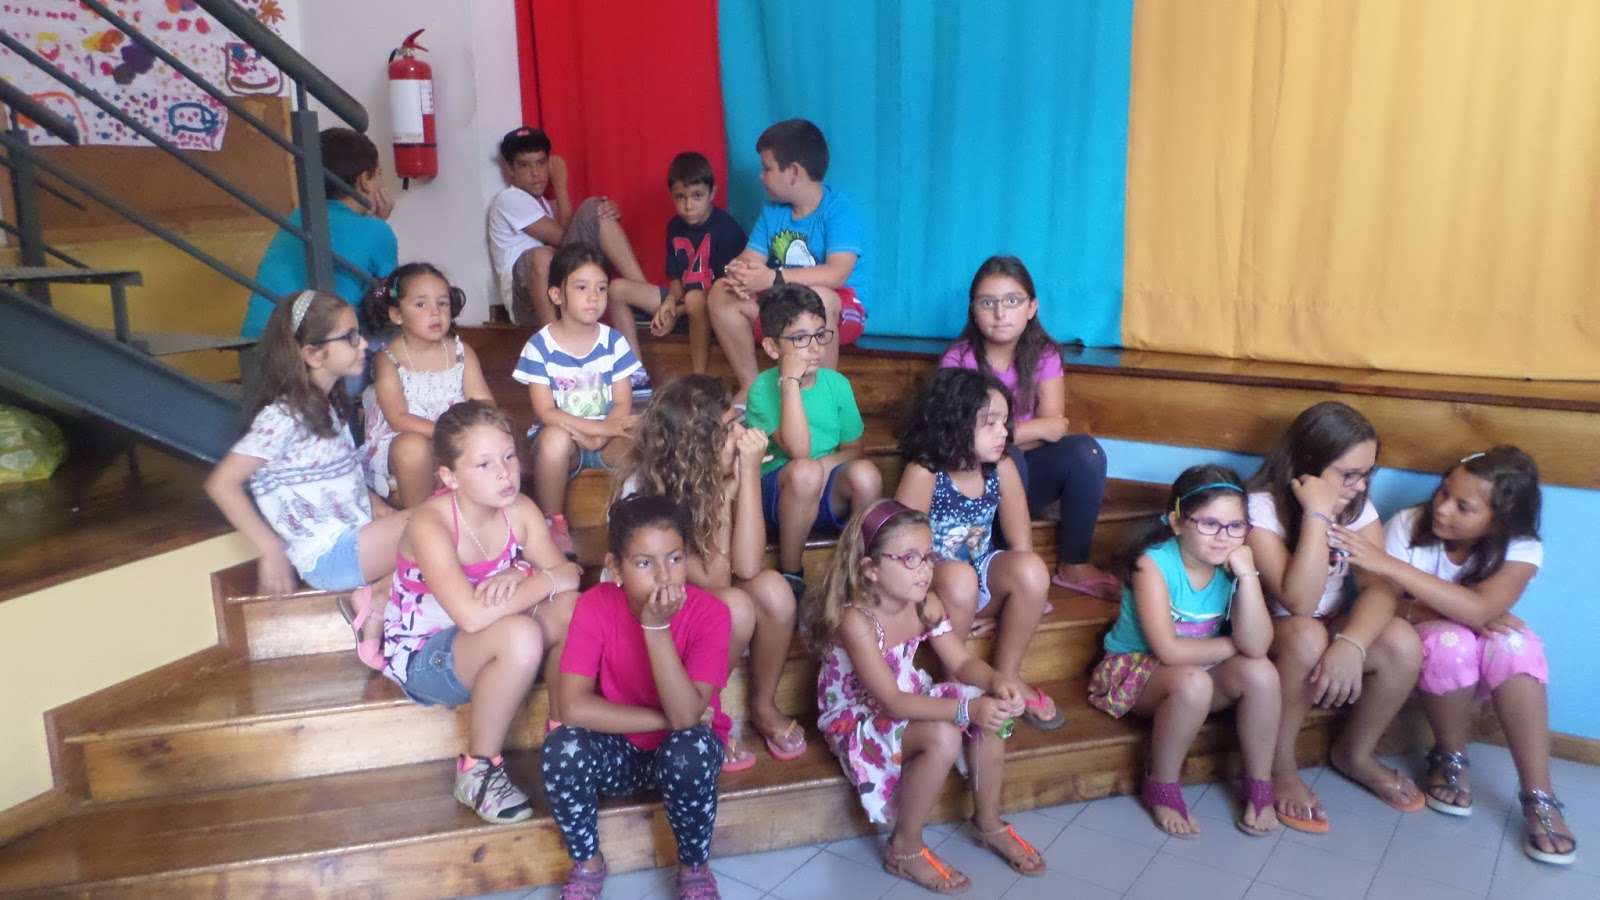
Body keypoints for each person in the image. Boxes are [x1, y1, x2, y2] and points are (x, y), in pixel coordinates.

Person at [1332, 447, 1576, 865]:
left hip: (1484, 672)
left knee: (1515, 644)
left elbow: (1481, 611)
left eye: (1463, 506)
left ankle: (1539, 795)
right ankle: (1450, 756)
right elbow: (1387, 603)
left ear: (1499, 519)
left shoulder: (1521, 547)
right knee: (1452, 641)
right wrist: (1460, 612)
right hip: (1415, 663)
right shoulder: (1408, 524)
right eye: (1444, 492)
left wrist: (1392, 567)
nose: (1442, 508)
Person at [807, 500, 1043, 893]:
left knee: (992, 709)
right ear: (870, 569)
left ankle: (988, 822)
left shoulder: (925, 603)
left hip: (908, 694)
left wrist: (997, 682)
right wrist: (966, 709)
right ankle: (904, 847)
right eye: (909, 559)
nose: (925, 569)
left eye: (928, 556)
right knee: (944, 733)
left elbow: (961, 662)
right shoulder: (856, 620)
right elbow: (891, 703)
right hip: (857, 717)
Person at [381, 400, 581, 823]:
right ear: (450, 477)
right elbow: (470, 617)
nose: (505, 473)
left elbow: (569, 574)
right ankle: (478, 770)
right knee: (521, 634)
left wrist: (522, 569)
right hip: (427, 657)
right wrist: (537, 578)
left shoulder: (519, 509)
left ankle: (565, 739)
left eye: (509, 457)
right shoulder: (430, 524)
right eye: (484, 464)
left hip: (488, 639)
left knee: (572, 609)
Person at [1245, 401, 1424, 833]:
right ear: (1308, 465)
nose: (1360, 486)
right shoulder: (1260, 507)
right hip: (1269, 633)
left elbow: (1381, 588)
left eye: (1368, 474)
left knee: (1401, 641)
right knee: (1307, 634)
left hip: (1327, 626)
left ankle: (1355, 753)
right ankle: (1279, 765)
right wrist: (1317, 515)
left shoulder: (1358, 506)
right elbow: (1299, 602)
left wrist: (1352, 644)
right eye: (1349, 474)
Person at [205, 291, 408, 669]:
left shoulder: (329, 406)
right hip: (330, 556)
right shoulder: (283, 417)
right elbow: (221, 483)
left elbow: (338, 475)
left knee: (445, 524)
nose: (363, 344)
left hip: (355, 541)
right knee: (442, 519)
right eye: (350, 337)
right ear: (313, 354)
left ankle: (380, 599)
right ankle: (379, 600)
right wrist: (270, 549)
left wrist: (376, 504)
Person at [542, 495, 731, 900]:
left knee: (690, 748)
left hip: (682, 752)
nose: (664, 576)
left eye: (675, 559)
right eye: (644, 563)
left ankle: (694, 868)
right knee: (562, 748)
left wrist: (656, 628)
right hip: (621, 749)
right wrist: (663, 720)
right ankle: (588, 864)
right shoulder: (594, 605)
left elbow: (687, 720)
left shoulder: (711, 614)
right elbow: (572, 707)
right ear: (615, 568)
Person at [611, 375, 805, 767]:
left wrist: (747, 478)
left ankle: (763, 705)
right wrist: (725, 497)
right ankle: (704, 715)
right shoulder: (647, 489)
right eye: (730, 429)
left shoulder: (710, 476)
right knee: (734, 607)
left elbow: (748, 565)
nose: (743, 435)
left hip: (694, 599)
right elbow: (715, 580)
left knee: (773, 590)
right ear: (697, 445)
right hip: (649, 614)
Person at [1088, 466, 1281, 837]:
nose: (1223, 537)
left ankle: (1259, 782)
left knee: (1262, 673)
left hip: (1200, 667)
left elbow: (1258, 647)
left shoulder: (1233, 564)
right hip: (1134, 671)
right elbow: (1169, 650)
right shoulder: (1152, 565)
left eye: (1236, 526)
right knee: (1193, 682)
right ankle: (1161, 783)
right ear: (1177, 522)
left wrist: (1248, 576)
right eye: (1209, 524)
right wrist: (1235, 644)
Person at [895, 367, 1063, 730]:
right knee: (959, 577)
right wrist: (932, 603)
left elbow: (1021, 548)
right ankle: (954, 684)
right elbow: (901, 556)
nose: (1004, 432)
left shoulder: (1002, 469)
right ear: (954, 424)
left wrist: (996, 609)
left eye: (1005, 422)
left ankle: (1008, 673)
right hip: (927, 590)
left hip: (978, 580)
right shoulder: (924, 474)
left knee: (1032, 568)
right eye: (990, 423)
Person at [941, 255, 1115, 598]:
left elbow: (1055, 428)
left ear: (1031, 308)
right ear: (973, 310)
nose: (1000, 313)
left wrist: (1011, 434)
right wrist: (1032, 430)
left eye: (1012, 301)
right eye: (987, 303)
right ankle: (1006, 573)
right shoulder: (959, 360)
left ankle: (1074, 564)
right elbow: (960, 438)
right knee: (1008, 457)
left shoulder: (1044, 353)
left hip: (1028, 473)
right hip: (973, 479)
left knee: (1087, 453)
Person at [707, 119, 869, 401]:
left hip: (839, 311)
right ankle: (752, 388)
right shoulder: (772, 211)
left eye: (767, 168)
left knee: (820, 297)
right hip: (784, 306)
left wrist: (773, 278)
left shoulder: (839, 210)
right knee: (721, 291)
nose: (761, 176)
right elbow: (748, 259)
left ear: (793, 171)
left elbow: (837, 274)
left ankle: (821, 396)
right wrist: (738, 273)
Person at [744, 284, 882, 600]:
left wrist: (823, 467)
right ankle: (792, 572)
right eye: (800, 339)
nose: (815, 347)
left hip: (824, 489)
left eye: (820, 335)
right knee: (804, 471)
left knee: (867, 475)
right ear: (772, 347)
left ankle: (855, 570)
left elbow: (854, 450)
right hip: (780, 497)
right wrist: (789, 382)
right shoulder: (762, 389)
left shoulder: (837, 385)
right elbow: (798, 450)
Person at [486, 126, 662, 362]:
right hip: (526, 303)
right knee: (543, 254)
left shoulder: (545, 206)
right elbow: (563, 239)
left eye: (541, 163)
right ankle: (556, 349)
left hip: (563, 290)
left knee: (596, 209)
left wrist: (607, 212)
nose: (536, 173)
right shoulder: (509, 199)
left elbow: (573, 237)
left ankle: (642, 298)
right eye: (525, 165)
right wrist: (561, 185)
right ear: (510, 169)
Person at [511, 244, 642, 555]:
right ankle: (552, 524)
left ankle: (634, 521)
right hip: (565, 438)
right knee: (553, 439)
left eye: (601, 288)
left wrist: (600, 436)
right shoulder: (539, 347)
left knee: (644, 437)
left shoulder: (614, 342)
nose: (593, 297)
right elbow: (546, 412)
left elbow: (622, 404)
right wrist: (595, 430)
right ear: (557, 295)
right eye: (582, 287)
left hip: (608, 437)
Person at [239, 128, 397, 339]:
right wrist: (378, 224)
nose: (382, 183)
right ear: (364, 180)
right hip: (312, 346)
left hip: (257, 339)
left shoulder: (297, 216)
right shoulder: (377, 231)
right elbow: (389, 297)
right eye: (379, 174)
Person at [359, 263, 492, 508]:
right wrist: (446, 432)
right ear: (397, 314)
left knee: (490, 435)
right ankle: (420, 520)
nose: (435, 312)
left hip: (457, 437)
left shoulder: (461, 352)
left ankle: (477, 516)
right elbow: (398, 418)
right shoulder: (387, 359)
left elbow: (483, 400)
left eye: (442, 303)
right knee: (414, 448)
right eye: (421, 304)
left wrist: (469, 430)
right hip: (407, 440)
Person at [651, 151, 748, 375]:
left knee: (694, 298)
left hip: (717, 307)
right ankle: (634, 371)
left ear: (712, 193)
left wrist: (677, 311)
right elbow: (677, 278)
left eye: (697, 196)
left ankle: (699, 377)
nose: (688, 206)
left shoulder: (726, 228)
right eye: (680, 197)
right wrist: (669, 302)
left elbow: (725, 288)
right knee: (618, 290)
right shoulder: (674, 227)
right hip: (686, 304)